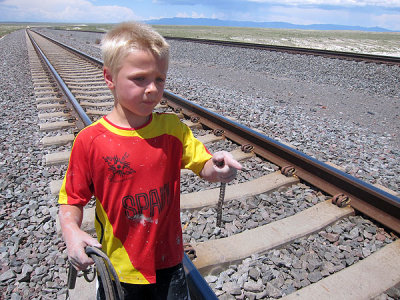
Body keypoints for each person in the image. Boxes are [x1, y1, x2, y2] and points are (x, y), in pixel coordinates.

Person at [58, 21, 242, 299]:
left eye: (159, 79)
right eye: (140, 78)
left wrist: (219, 168)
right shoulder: (90, 141)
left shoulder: (172, 130)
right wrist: (71, 231)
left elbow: (202, 164)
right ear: (110, 78)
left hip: (169, 261)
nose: (152, 89)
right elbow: (72, 198)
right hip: (119, 267)